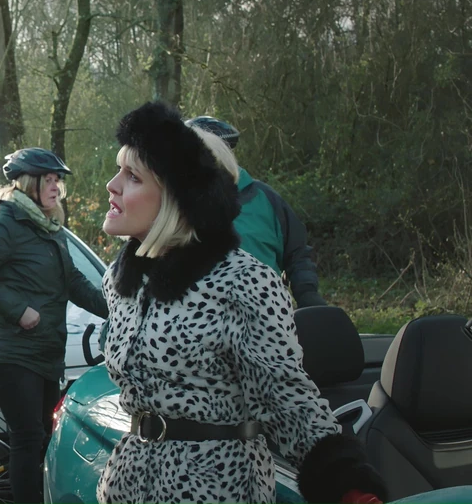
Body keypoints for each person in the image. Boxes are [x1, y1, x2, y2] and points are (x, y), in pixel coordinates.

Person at [96, 101, 386, 504]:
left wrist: (345, 482)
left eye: (133, 176)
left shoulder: (241, 280)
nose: (112, 185)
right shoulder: (122, 279)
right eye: (118, 170)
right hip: (129, 483)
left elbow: (284, 395)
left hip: (214, 485)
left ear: (176, 199)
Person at [0, 147, 109, 504]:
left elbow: (73, 281)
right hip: (9, 350)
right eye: (50, 180)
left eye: (58, 181)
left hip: (43, 349)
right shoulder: (7, 222)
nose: (57, 188)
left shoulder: (48, 226)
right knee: (27, 437)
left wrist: (119, 310)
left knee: (44, 437)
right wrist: (18, 309)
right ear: (30, 183)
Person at [185, 115, 327, 307]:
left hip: (267, 319)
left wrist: (307, 293)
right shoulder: (177, 203)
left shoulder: (265, 198)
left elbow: (297, 252)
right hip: (198, 321)